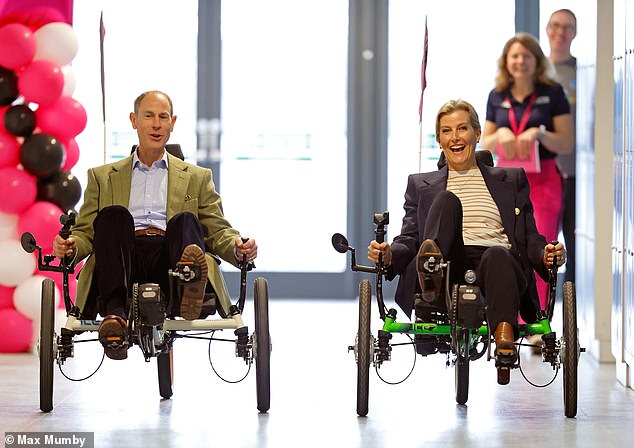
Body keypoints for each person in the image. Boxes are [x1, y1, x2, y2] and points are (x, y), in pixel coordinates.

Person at [367, 99, 565, 382]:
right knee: (447, 200)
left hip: (497, 264)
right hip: (446, 264)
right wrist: (389, 254)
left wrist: (547, 253)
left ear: (477, 134)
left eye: (462, 128)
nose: (455, 137)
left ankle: (504, 338)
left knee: (498, 254)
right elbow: (409, 239)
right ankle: (430, 280)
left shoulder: (511, 179)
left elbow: (529, 237)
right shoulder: (420, 184)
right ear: (438, 139)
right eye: (447, 131)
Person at [52, 90, 258, 360]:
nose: (156, 124)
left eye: (163, 117)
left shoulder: (197, 177)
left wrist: (236, 245)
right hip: (124, 259)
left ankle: (189, 291)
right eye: (148, 116)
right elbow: (86, 231)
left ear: (172, 122)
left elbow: (217, 229)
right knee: (113, 215)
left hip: (172, 261)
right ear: (134, 120)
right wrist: (71, 245)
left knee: (186, 220)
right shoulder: (102, 177)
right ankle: (115, 314)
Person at [481, 32, 573, 314]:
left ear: (536, 60)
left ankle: (537, 319)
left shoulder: (553, 93)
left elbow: (566, 141)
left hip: (544, 180)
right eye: (515, 56)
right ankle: (510, 318)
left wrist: (540, 133)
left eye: (526, 56)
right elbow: (485, 142)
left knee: (540, 247)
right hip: (507, 182)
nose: (520, 61)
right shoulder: (497, 96)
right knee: (509, 245)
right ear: (506, 61)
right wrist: (502, 134)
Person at [547, 8, 577, 283]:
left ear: (574, 33)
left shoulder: (583, 70)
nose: (560, 32)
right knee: (541, 246)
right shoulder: (534, 72)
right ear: (547, 29)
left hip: (575, 173)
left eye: (567, 27)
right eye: (556, 25)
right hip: (543, 176)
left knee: (574, 245)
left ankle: (572, 315)